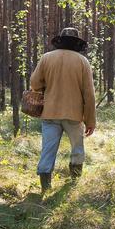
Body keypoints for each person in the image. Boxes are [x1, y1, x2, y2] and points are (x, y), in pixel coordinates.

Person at [30, 27, 96, 194]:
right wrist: (90, 121)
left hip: (50, 113)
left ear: (60, 40)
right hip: (74, 115)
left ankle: (45, 188)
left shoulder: (46, 58)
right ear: (76, 43)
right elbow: (89, 94)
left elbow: (35, 84)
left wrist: (48, 86)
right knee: (77, 149)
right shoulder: (82, 61)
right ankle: (74, 185)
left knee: (48, 150)